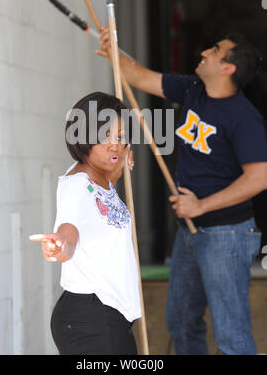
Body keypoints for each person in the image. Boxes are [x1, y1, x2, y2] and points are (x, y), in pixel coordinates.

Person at [97, 29, 267, 355]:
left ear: (228, 68)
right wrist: (113, 50)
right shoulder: (194, 89)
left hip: (226, 235)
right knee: (181, 322)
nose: (204, 51)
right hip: (190, 231)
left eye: (215, 51)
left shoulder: (244, 118)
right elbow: (142, 78)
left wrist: (201, 205)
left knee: (231, 333)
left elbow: (259, 178)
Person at [30, 92, 141, 355]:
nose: (115, 145)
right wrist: (60, 247)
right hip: (90, 319)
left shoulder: (99, 180)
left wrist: (121, 166)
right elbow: (68, 232)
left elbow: (102, 194)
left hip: (110, 316)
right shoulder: (77, 186)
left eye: (121, 137)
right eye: (106, 137)